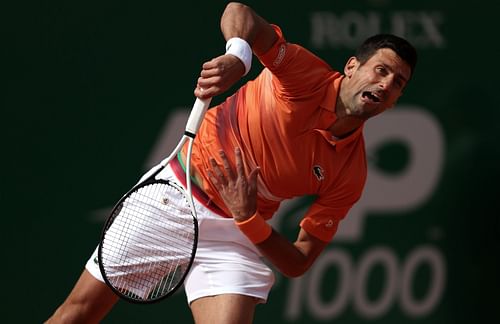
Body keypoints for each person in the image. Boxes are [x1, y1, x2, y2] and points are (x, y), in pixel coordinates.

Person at [46, 2, 417, 323]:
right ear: (352, 67)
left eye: (398, 83)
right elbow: (239, 12)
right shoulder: (305, 75)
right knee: (76, 315)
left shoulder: (350, 172)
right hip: (174, 198)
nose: (386, 85)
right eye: (381, 70)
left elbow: (299, 261)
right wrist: (238, 57)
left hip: (239, 233)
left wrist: (248, 220)